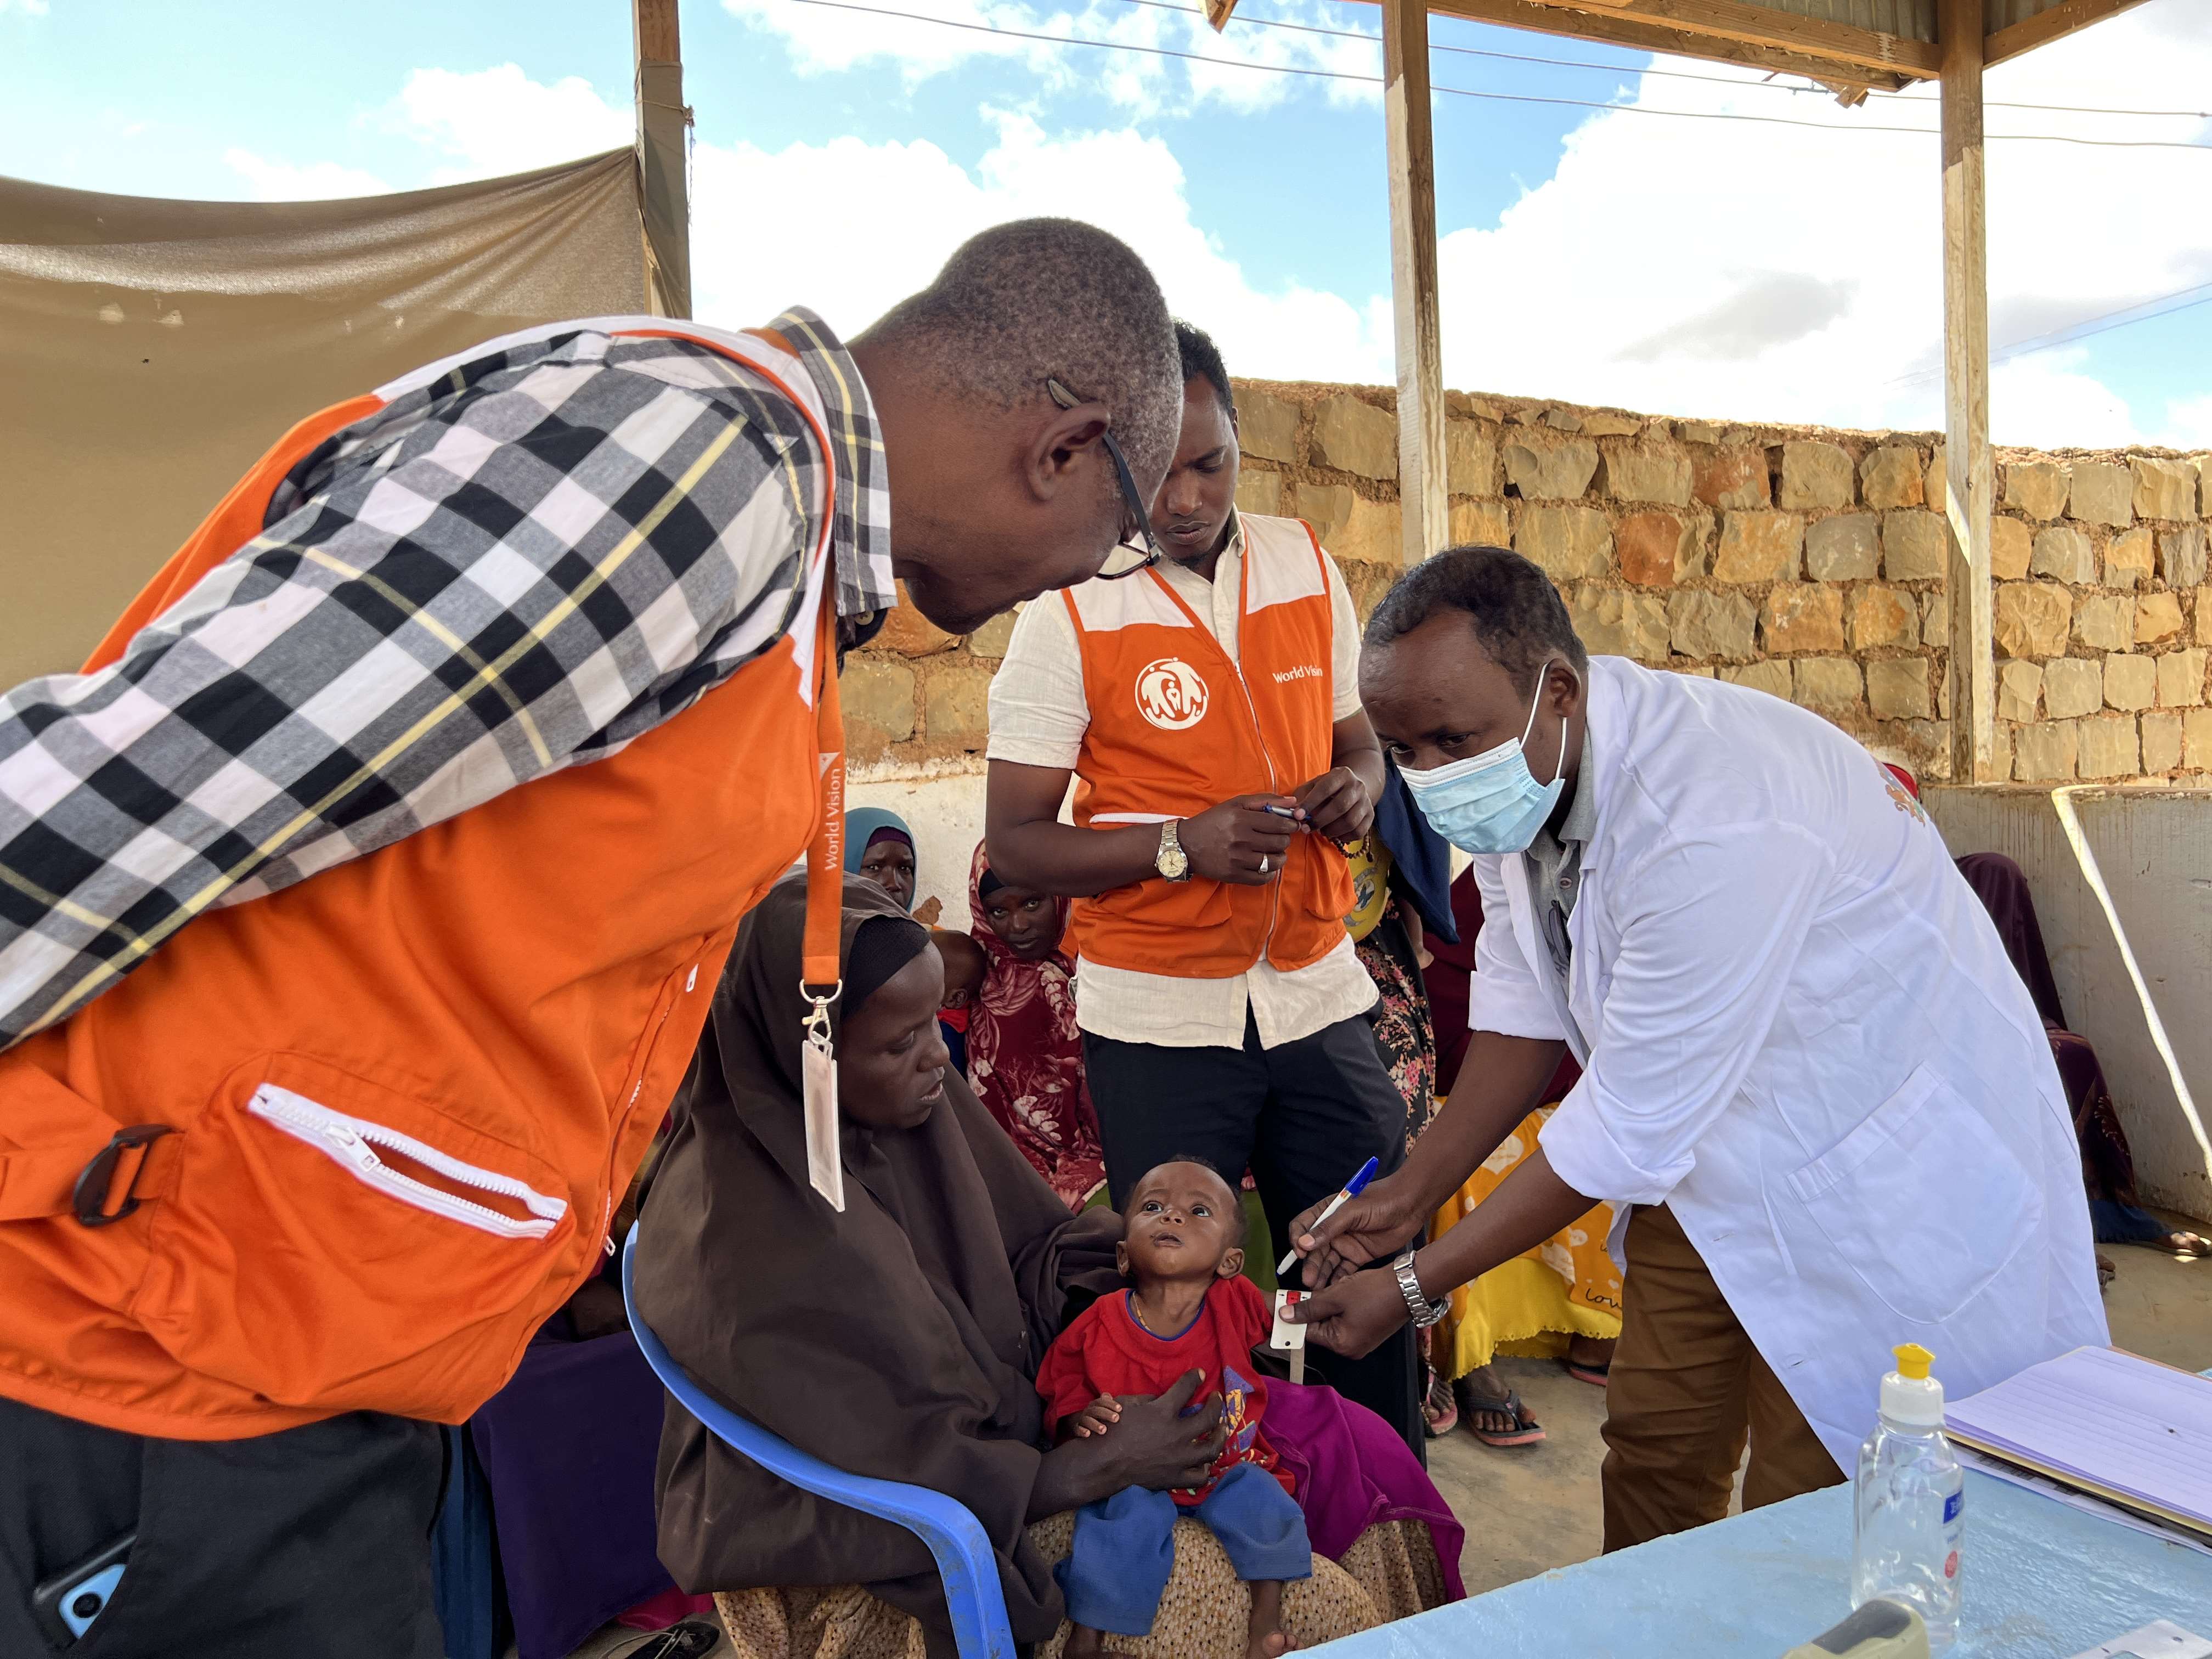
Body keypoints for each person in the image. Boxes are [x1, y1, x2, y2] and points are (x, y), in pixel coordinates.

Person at [0, 217, 1187, 1659]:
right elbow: (125, 796)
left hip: (291, 1360)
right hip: (134, 1368)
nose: (1077, 584)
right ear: (1064, 448)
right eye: (1113, 539)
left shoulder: (773, 562)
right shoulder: (704, 467)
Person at [1286, 545, 2108, 1551]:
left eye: (1450, 740)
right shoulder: (1524, 772)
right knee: (1655, 1445)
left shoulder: (1712, 809)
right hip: (1710, 1162)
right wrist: (1407, 1195)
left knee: (1812, 1489)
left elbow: (1624, 1125)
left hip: (1873, 1178)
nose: (1429, 779)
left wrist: (1414, 1285)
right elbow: (1520, 1007)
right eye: (1403, 751)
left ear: (1559, 689)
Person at [633, 876, 1462, 1659]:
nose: (935, 1060)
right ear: (803, 1054)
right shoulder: (748, 1240)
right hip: (889, 1537)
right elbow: (880, 1461)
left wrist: (1174, 1286)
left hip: (1018, 1444)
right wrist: (1092, 1463)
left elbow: (1036, 1253)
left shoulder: (901, 1112)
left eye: (935, 1025)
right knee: (1322, 1610)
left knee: (1359, 1447)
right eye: (899, 1043)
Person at [985, 321, 1423, 1454]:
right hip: (1158, 1016)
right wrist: (1180, 845)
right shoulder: (1066, 608)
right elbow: (1018, 846)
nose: (1185, 498)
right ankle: (1209, 1523)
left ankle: (1374, 1502)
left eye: (1211, 463)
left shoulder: (1303, 560)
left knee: (1362, 1257)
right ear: (1108, 456)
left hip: (1317, 993)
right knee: (1176, 1299)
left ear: (1241, 443)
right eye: (1156, 469)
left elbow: (1360, 740)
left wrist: (1360, 790)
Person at [1039, 1158, 1308, 1659]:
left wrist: (1326, 1284)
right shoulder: (1099, 1321)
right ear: (1123, 1255)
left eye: (1197, 1210)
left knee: (1269, 1504)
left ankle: (1264, 1627)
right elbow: (1063, 1386)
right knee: (1117, 1524)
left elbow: (1295, 1313)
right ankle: (1086, 1642)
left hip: (1226, 1466)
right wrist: (1080, 1419)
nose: (1172, 1218)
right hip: (1136, 1479)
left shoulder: (1235, 1301)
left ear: (1228, 1261)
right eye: (1154, 1207)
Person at [1419, 866, 1621, 1448]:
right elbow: (1503, 1008)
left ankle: (1598, 1324)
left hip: (1566, 1033)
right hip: (1468, 1025)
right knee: (1455, 1137)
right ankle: (1459, 1352)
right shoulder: (1510, 854)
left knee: (1613, 1121)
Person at [1952, 850, 2210, 1264]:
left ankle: (2109, 1212)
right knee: (2009, 1066)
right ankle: (2049, 1236)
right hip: (1940, 1021)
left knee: (2072, 1054)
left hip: (2006, 1012)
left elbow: (2020, 984)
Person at [943, 840, 1107, 1209]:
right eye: (998, 912)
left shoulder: (1100, 965)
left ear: (1060, 895)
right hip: (1012, 1171)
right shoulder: (972, 977)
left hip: (1115, 1152)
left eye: (1033, 903)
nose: (1018, 925)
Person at [847, 806, 923, 914]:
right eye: (874, 868)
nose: (894, 884)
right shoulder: (816, 931)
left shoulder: (924, 931)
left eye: (904, 868)